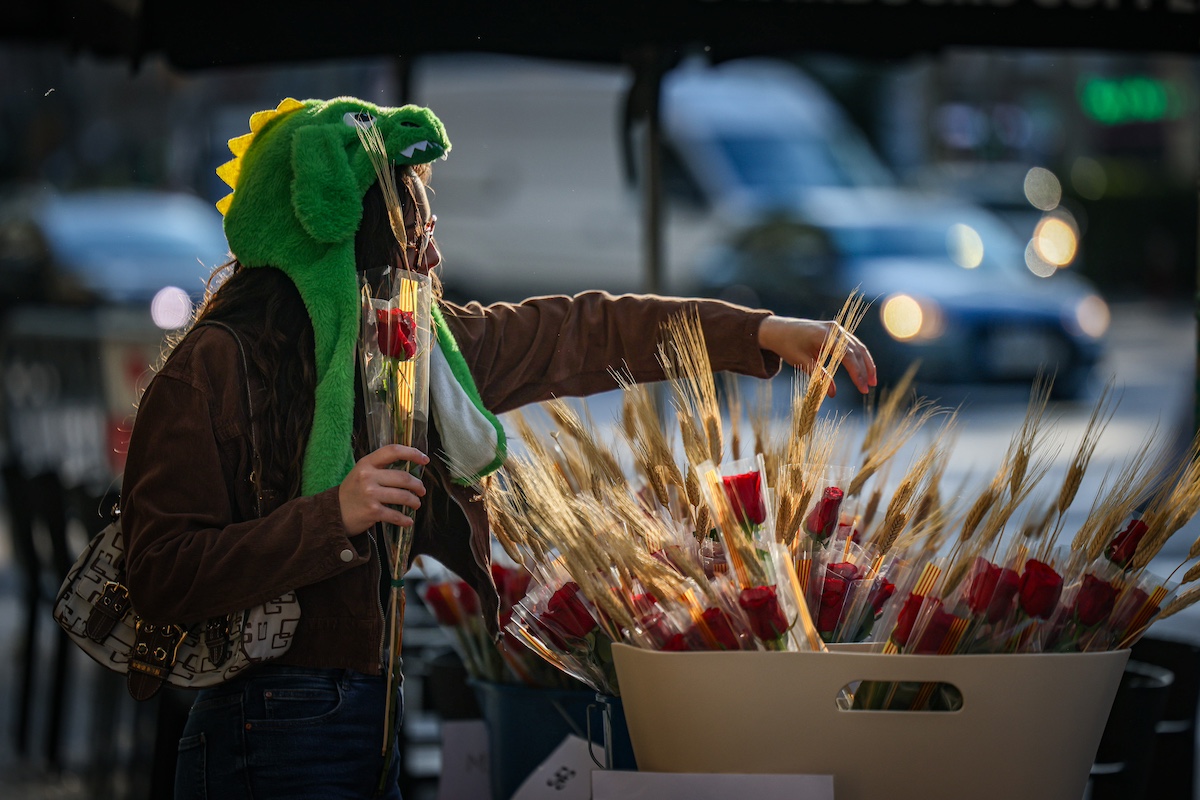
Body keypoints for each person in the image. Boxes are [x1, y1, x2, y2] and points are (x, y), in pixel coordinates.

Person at [119, 96, 876, 799]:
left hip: (371, 707)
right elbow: (155, 572)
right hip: (264, 727)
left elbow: (578, 331)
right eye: (413, 222)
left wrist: (762, 332)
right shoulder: (214, 365)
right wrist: (331, 517)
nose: (434, 249)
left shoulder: (412, 353)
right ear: (343, 228)